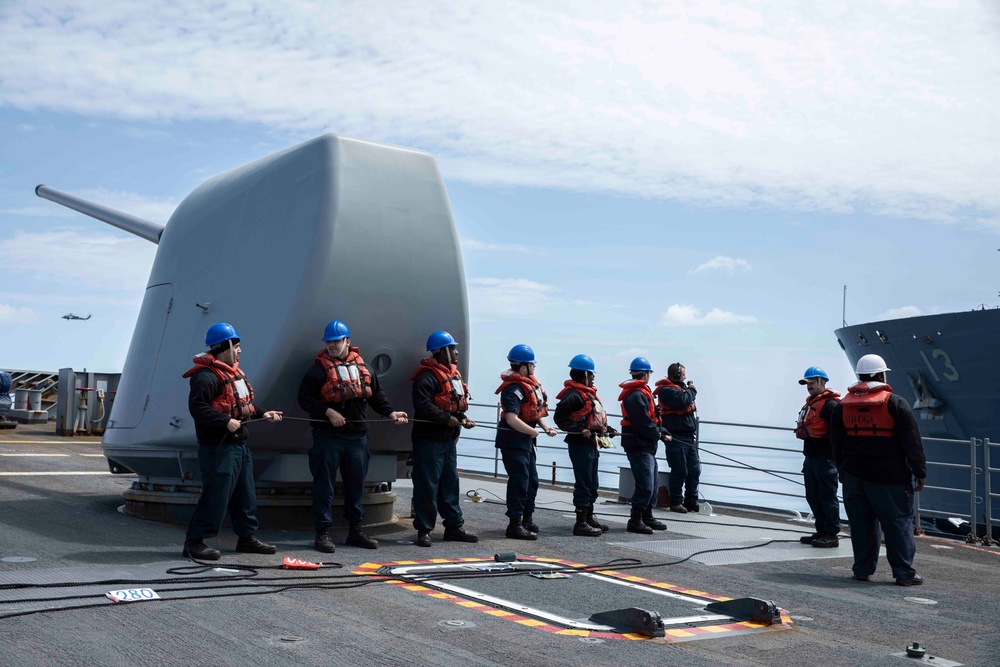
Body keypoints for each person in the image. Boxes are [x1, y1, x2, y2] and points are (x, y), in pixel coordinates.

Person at [297, 319, 408, 552]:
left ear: (347, 341)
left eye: (336, 341)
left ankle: (355, 531)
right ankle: (322, 533)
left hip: (357, 438)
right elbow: (304, 398)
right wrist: (328, 412)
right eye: (329, 342)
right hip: (328, 437)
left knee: (355, 485)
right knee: (324, 487)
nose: (332, 346)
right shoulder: (318, 370)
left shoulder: (363, 367)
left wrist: (391, 413)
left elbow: (376, 395)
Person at [181, 322, 283, 560]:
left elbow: (243, 404)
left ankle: (246, 538)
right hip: (219, 448)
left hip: (239, 446)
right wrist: (223, 421)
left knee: (245, 494)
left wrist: (263, 414)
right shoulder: (205, 377)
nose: (240, 351)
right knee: (216, 495)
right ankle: (194, 542)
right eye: (236, 346)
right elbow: (197, 408)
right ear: (224, 346)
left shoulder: (232, 374)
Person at [830, 353, 927, 586]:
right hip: (890, 478)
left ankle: (862, 570)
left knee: (861, 525)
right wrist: (920, 472)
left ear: (860, 375)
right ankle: (904, 573)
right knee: (897, 524)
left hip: (854, 477)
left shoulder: (843, 406)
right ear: (882, 374)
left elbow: (835, 444)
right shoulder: (895, 403)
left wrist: (843, 471)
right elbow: (912, 443)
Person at [410, 330, 479, 547]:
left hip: (449, 442)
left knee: (450, 484)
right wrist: (446, 418)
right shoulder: (425, 377)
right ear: (440, 352)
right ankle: (424, 530)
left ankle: (454, 527)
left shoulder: (453, 376)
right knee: (427, 486)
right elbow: (423, 406)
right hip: (428, 441)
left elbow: (453, 403)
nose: (456, 352)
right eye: (451, 349)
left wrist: (462, 418)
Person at [494, 344, 558, 540]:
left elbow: (533, 412)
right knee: (519, 482)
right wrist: (533, 432)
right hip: (513, 442)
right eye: (532, 365)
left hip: (526, 442)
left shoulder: (527, 386)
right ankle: (514, 523)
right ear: (524, 367)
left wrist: (545, 426)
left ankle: (526, 519)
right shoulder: (513, 390)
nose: (534, 369)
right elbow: (512, 418)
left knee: (532, 481)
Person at [554, 354, 618, 537]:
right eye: (592, 374)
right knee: (583, 483)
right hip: (579, 444)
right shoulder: (573, 396)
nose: (594, 378)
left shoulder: (588, 394)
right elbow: (559, 418)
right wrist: (579, 429)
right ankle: (580, 522)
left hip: (592, 443)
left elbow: (594, 419)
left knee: (592, 483)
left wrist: (608, 429)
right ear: (585, 375)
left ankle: (589, 516)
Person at [618, 357, 671, 534]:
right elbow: (641, 423)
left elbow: (649, 420)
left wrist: (661, 430)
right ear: (646, 374)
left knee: (653, 481)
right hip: (638, 445)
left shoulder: (640, 393)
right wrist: (659, 434)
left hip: (646, 444)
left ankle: (647, 516)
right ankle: (635, 519)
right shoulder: (636, 396)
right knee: (645, 484)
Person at [795, 366, 842, 548]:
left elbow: (838, 434)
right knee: (812, 496)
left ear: (823, 382)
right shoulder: (811, 403)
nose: (809, 387)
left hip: (825, 459)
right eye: (807, 384)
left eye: (812, 383)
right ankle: (821, 530)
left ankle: (831, 534)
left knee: (827, 497)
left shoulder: (831, 405)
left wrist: (835, 459)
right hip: (811, 458)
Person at [654, 362, 701, 513]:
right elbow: (683, 402)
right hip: (675, 437)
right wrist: (692, 389)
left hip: (688, 437)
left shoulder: (681, 390)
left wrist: (688, 391)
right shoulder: (667, 391)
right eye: (683, 374)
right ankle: (675, 502)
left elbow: (686, 400)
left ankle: (690, 501)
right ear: (677, 375)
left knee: (694, 470)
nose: (685, 377)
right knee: (680, 470)